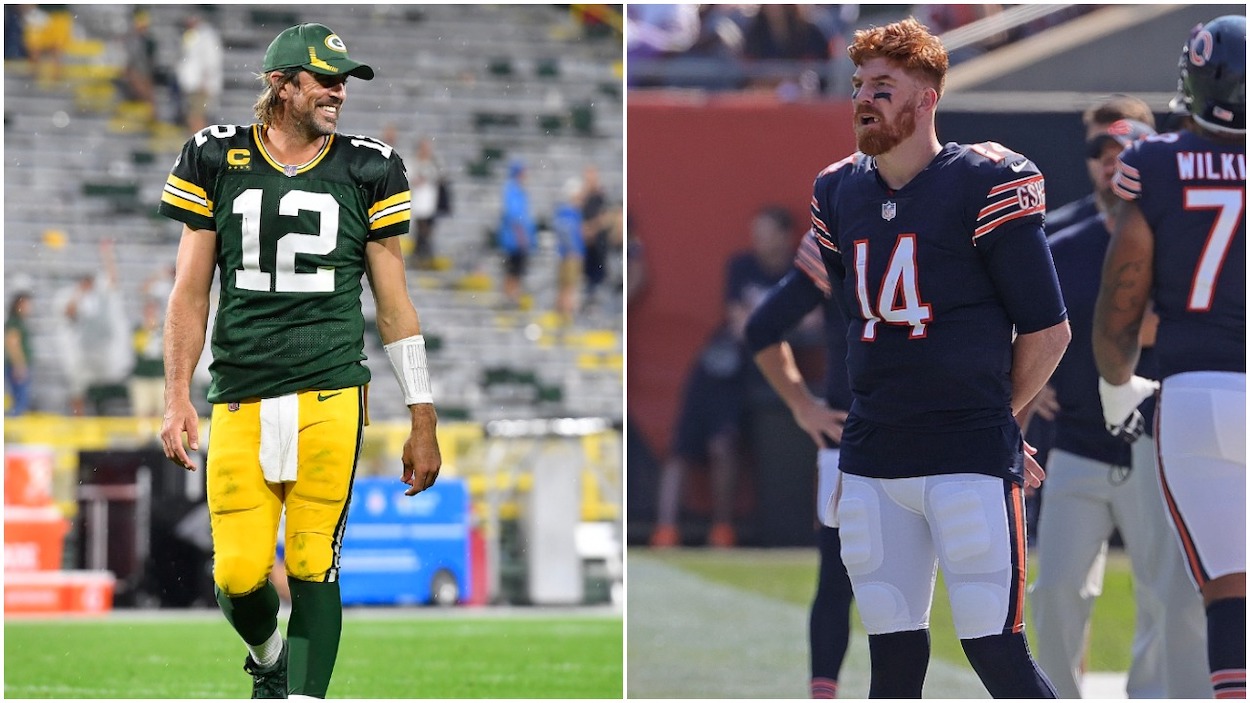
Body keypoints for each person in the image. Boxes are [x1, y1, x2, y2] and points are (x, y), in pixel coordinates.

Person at [156, 22, 442, 699]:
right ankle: (270, 656)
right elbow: (189, 293)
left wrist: (422, 413)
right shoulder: (213, 156)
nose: (338, 92)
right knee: (237, 575)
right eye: (324, 78)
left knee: (315, 562)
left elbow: (395, 304)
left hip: (331, 392)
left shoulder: (369, 166)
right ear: (280, 85)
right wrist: (175, 395)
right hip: (240, 392)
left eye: (344, 79)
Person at [809, 19, 1069, 697]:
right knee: (892, 666)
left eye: (884, 86)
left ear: (925, 98)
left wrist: (999, 419)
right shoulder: (839, 192)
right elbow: (858, 326)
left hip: (966, 454)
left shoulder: (982, 179)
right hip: (874, 456)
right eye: (860, 84)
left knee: (996, 651)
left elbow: (1048, 330)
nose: (864, 99)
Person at [1028, 117, 1210, 698]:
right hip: (1077, 441)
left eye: (1125, 150)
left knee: (1165, 594)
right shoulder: (1062, 241)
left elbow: (1182, 322)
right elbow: (1026, 324)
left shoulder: (1180, 233)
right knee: (1054, 588)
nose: (1114, 162)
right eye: (1103, 152)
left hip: (1153, 442)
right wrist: (1032, 379)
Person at [1093, 15, 1245, 700]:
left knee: (1226, 588)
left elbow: (1122, 300)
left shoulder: (1155, 163)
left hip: (1195, 394)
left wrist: (1115, 381)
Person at [745, 230, 855, 699]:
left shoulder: (948, 205)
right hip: (854, 433)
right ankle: (822, 692)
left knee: (933, 587)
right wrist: (801, 404)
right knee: (837, 576)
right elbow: (761, 328)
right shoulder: (842, 227)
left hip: (933, 432)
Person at [649, 205, 798, 549]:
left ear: (784, 236)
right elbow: (739, 322)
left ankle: (722, 527)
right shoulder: (742, 266)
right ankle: (666, 528)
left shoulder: (798, 272)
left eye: (766, 233)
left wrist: (762, 322)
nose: (758, 241)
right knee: (681, 447)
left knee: (724, 445)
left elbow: (813, 321)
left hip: (761, 370)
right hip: (720, 368)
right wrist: (776, 321)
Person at [1045, 94, 1157, 236]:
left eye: (1122, 150)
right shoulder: (1053, 236)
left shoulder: (1177, 228)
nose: (1110, 166)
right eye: (1096, 150)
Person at [54, 240, 132, 416]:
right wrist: (79, 292)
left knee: (105, 387)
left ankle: (101, 414)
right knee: (78, 388)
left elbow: (113, 279)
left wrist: (107, 255)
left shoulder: (102, 296)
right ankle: (79, 421)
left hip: (103, 350)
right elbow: (69, 313)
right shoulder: (75, 296)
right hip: (83, 352)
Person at [498, 159, 538, 308]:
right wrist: (522, 238)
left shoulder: (517, 190)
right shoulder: (513, 190)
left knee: (516, 271)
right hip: (514, 240)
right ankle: (510, 298)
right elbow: (515, 216)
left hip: (517, 239)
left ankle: (512, 297)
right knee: (513, 271)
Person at [177, 12, 223, 134]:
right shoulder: (194, 34)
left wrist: (205, 81)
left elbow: (211, 60)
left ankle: (199, 146)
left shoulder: (206, 35)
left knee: (197, 116)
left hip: (200, 84)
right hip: (194, 84)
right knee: (193, 115)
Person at [407, 136, 445, 270]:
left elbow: (439, 179)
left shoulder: (433, 164)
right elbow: (409, 180)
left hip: (430, 205)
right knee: (420, 233)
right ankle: (420, 258)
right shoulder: (412, 163)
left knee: (426, 233)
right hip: (417, 205)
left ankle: (423, 258)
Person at [553, 176, 586, 327]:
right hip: (571, 255)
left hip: (565, 254)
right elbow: (567, 231)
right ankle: (566, 318)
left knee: (565, 287)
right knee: (569, 287)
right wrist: (572, 249)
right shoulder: (569, 212)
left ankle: (562, 317)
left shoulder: (565, 211)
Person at [129, 298, 165, 420]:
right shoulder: (138, 330)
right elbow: (141, 349)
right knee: (143, 413)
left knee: (162, 412)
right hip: (142, 377)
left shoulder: (165, 329)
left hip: (161, 376)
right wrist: (149, 331)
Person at [5, 291, 33, 416]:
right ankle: (12, 429)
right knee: (19, 401)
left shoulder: (18, 322)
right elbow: (12, 344)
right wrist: (19, 365)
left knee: (20, 399)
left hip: (17, 365)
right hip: (16, 366)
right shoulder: (14, 322)